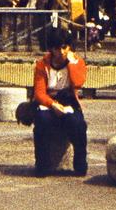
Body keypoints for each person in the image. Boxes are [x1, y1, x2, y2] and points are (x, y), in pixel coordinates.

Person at [31, 28, 88, 176]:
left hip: (67, 99)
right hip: (48, 101)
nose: (61, 51)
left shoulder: (76, 61)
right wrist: (52, 104)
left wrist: (71, 64)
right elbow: (39, 93)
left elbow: (78, 83)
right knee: (42, 122)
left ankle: (80, 162)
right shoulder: (42, 65)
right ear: (51, 49)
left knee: (78, 124)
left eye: (64, 47)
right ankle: (42, 164)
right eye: (57, 48)